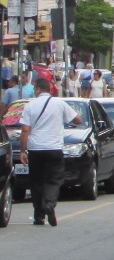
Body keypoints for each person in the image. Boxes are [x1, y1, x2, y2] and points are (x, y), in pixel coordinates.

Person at [19, 78, 81, 226]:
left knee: (37, 182)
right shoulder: (59, 104)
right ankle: (50, 203)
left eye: (35, 89)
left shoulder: (30, 105)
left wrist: (23, 151)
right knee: (54, 179)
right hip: (54, 149)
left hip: (35, 150)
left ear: (38, 90)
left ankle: (38, 216)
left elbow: (25, 130)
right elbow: (77, 119)